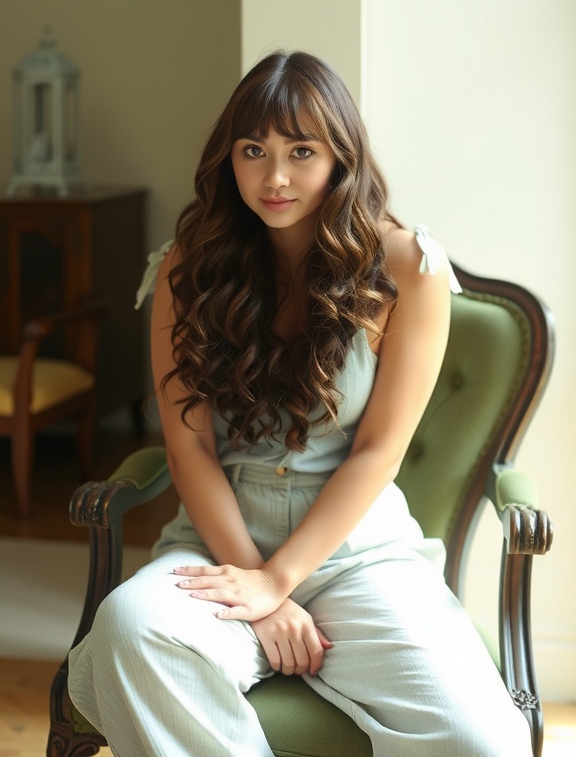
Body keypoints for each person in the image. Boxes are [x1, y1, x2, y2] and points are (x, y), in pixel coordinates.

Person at [68, 51, 531, 756]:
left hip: (359, 553)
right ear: (229, 158)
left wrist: (280, 580)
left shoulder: (410, 268)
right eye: (254, 150)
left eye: (301, 151)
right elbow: (187, 443)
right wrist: (259, 590)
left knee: (482, 737)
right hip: (220, 542)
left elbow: (380, 449)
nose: (274, 177)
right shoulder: (186, 268)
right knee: (131, 628)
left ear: (341, 158)